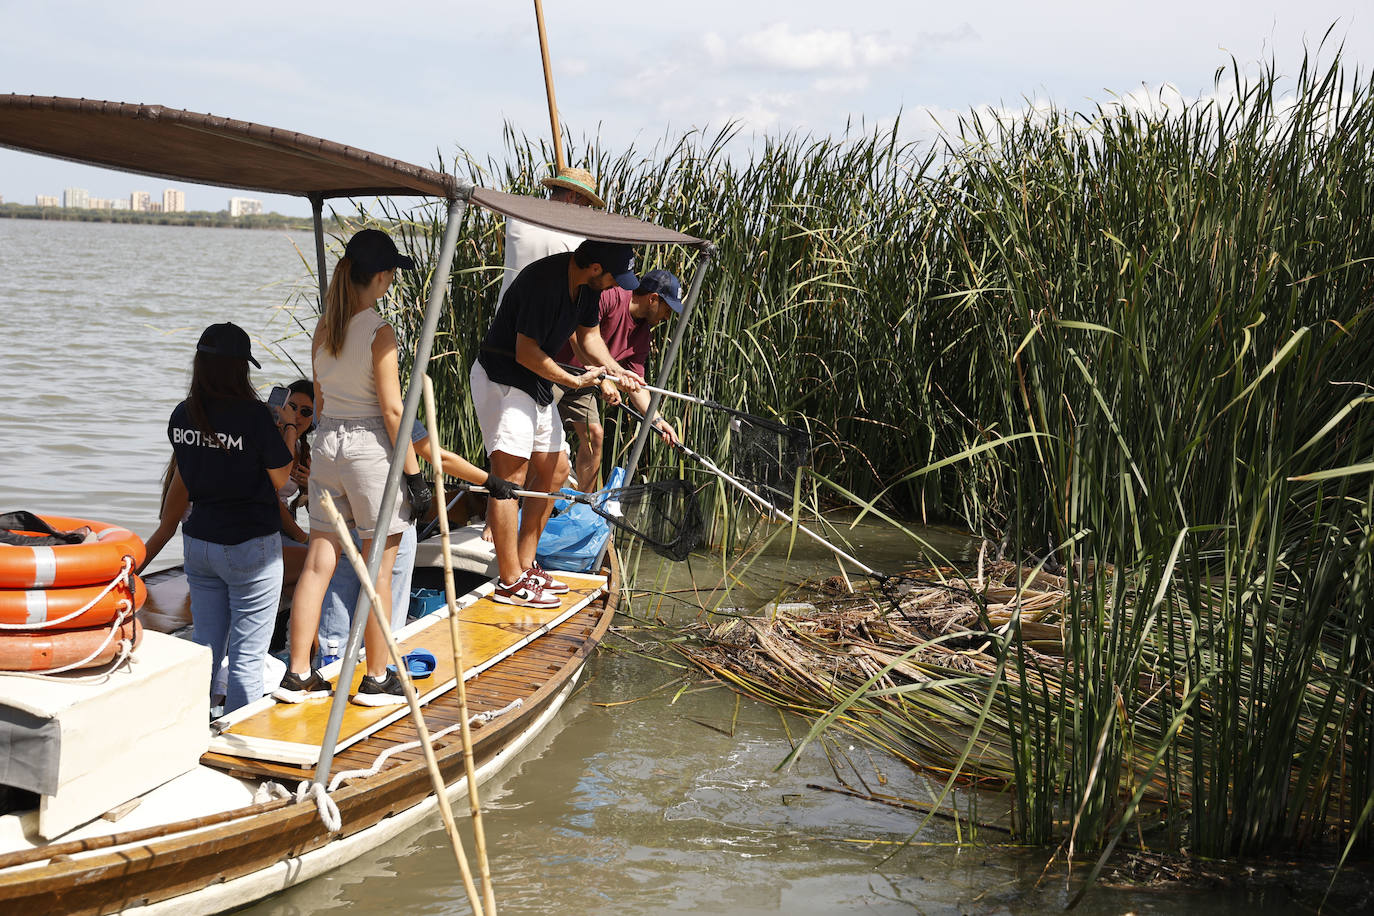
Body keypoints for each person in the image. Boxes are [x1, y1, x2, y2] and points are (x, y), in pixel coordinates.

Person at [275, 228, 431, 708]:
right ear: (381, 276)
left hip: (327, 446)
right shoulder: (380, 333)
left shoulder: (326, 328)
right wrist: (414, 475)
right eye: (390, 276)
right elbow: (390, 410)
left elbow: (320, 401)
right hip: (368, 450)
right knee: (378, 568)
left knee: (321, 562)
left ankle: (298, 674)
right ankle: (377, 678)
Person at [470, 239, 644, 608]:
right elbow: (525, 351)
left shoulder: (587, 289)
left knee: (555, 468)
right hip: (503, 377)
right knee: (510, 478)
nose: (618, 286)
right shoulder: (545, 281)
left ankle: (525, 563)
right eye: (617, 277)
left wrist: (615, 371)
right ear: (596, 268)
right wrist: (577, 381)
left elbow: (588, 337)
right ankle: (509, 581)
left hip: (534, 382)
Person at [166, 322, 294, 713]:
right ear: (240, 368)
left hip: (200, 541)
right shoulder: (254, 416)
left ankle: (193, 725)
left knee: (205, 645)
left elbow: (192, 472)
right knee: (247, 655)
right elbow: (281, 478)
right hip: (248, 546)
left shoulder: (183, 415)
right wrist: (286, 427)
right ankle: (240, 738)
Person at [317, 422, 516, 665]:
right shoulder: (391, 405)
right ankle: (382, 665)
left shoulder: (331, 396)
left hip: (337, 491)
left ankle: (328, 659)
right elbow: (435, 455)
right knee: (388, 582)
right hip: (383, 504)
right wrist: (490, 481)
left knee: (336, 581)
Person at [555, 269, 685, 490]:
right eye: (667, 309)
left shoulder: (643, 334)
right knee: (537, 435)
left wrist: (658, 421)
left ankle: (582, 510)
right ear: (653, 298)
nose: (667, 317)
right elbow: (576, 332)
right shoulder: (612, 296)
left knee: (595, 435)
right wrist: (605, 379)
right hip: (557, 370)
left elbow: (638, 387)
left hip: (587, 382)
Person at [496, 165, 604, 305]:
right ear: (571, 196)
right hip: (543, 324)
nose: (586, 212)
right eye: (586, 205)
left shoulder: (516, 220)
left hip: (504, 322)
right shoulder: (577, 241)